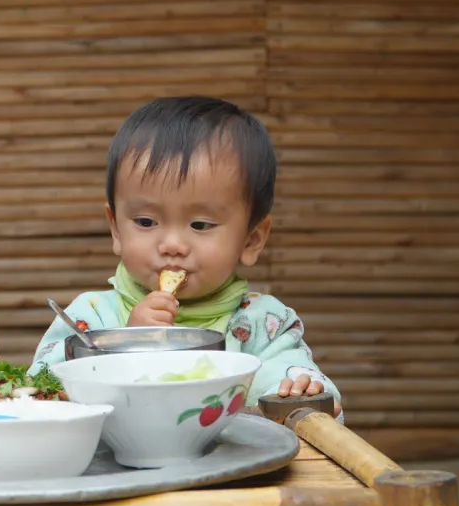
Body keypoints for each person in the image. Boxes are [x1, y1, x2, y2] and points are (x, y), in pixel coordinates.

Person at [29, 97, 343, 420]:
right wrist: (123, 345)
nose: (172, 245)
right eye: (146, 222)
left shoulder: (263, 325)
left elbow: (297, 399)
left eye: (200, 225)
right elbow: (39, 395)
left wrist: (303, 397)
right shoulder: (89, 318)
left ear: (252, 240)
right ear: (116, 230)